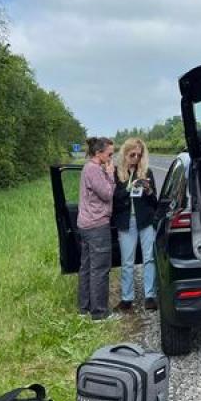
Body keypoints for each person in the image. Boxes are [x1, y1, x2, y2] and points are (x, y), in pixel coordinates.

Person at [112, 138, 159, 311]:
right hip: (126, 221)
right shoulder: (116, 173)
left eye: (139, 155)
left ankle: (150, 296)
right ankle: (127, 299)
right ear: (125, 153)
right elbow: (114, 199)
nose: (136, 158)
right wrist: (128, 188)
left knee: (149, 258)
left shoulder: (147, 172)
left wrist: (148, 190)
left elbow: (154, 201)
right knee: (127, 261)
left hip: (145, 220)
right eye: (133, 155)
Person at [77, 136, 116, 321]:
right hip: (97, 225)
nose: (111, 158)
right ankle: (99, 313)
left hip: (85, 224)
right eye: (110, 154)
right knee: (99, 269)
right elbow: (107, 194)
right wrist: (110, 174)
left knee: (86, 267)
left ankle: (84, 309)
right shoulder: (94, 169)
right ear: (99, 153)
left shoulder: (87, 168)